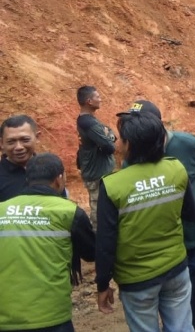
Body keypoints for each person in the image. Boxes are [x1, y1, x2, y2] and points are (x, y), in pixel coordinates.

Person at [118, 100, 195, 332]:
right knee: (174, 299)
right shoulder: (132, 155)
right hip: (164, 241)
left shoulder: (186, 143)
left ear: (156, 125)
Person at [95, 111, 195, 331]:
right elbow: (190, 215)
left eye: (120, 138)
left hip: (137, 280)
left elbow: (105, 243)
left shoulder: (113, 186)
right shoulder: (176, 168)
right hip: (176, 269)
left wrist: (103, 284)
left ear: (128, 144)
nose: (118, 142)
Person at [0, 153, 95, 332]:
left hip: (5, 316)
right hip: (52, 316)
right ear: (60, 179)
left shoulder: (2, 209)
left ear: (27, 178)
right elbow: (91, 253)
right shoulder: (69, 211)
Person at [76, 85, 117, 227]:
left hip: (99, 173)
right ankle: (97, 241)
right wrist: (107, 137)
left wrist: (108, 136)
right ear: (89, 101)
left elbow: (110, 133)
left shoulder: (90, 120)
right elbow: (110, 147)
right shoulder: (89, 123)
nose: (100, 99)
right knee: (98, 212)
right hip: (96, 174)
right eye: (97, 97)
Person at [0, 114, 41, 202]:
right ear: (2, 143)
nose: (19, 147)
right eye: (11, 142)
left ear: (37, 137)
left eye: (25, 140)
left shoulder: (50, 170)